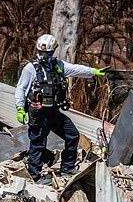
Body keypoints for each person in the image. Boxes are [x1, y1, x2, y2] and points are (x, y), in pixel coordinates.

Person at [15, 34, 105, 184]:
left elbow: (76, 69)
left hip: (53, 112)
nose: (45, 55)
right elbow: (21, 88)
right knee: (38, 143)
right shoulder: (31, 68)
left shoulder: (57, 66)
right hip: (39, 113)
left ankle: (67, 167)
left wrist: (93, 72)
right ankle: (34, 176)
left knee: (72, 135)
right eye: (42, 52)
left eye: (48, 53)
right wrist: (20, 109)